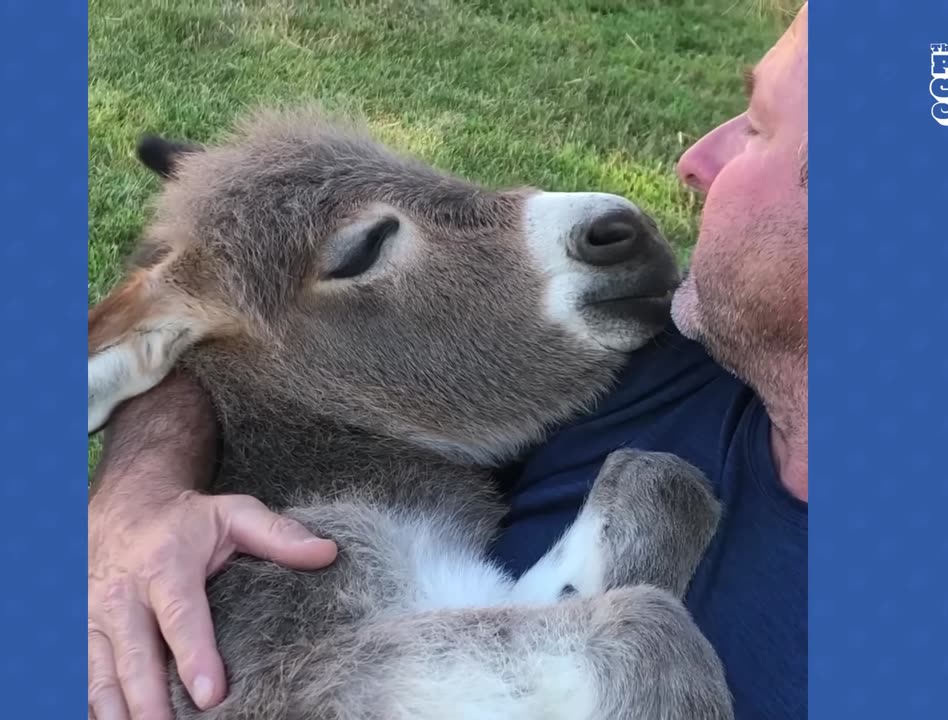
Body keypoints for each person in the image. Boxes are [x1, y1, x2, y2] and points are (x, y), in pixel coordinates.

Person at [87, 4, 808, 719]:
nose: (694, 161)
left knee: (645, 645)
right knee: (657, 494)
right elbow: (222, 345)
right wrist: (141, 497)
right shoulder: (680, 347)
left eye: (757, 129)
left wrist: (638, 660)